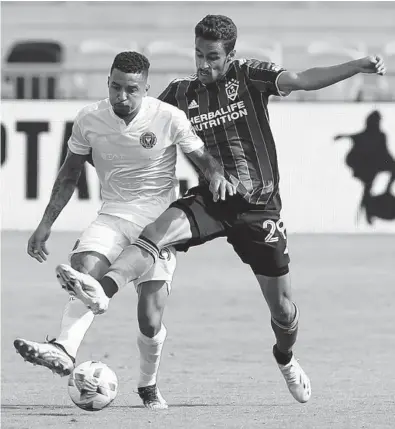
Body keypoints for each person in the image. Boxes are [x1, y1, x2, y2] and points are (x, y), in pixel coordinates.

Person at [55, 15, 386, 404]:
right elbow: (137, 126)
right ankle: (103, 291)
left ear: (230, 55)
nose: (204, 65)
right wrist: (98, 147)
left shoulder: (249, 77)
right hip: (212, 200)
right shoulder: (180, 94)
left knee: (282, 310)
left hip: (259, 210)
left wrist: (358, 67)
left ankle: (285, 358)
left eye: (212, 57)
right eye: (198, 55)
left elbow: (301, 79)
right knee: (155, 235)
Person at [13, 51, 234, 410]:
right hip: (113, 215)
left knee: (150, 319)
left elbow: (201, 156)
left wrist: (216, 175)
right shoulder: (89, 119)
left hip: (157, 226)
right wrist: (45, 224)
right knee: (85, 267)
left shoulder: (167, 117)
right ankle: (64, 348)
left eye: (131, 89)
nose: (122, 96)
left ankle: (147, 385)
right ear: (108, 84)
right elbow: (69, 175)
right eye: (115, 87)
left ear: (147, 88)